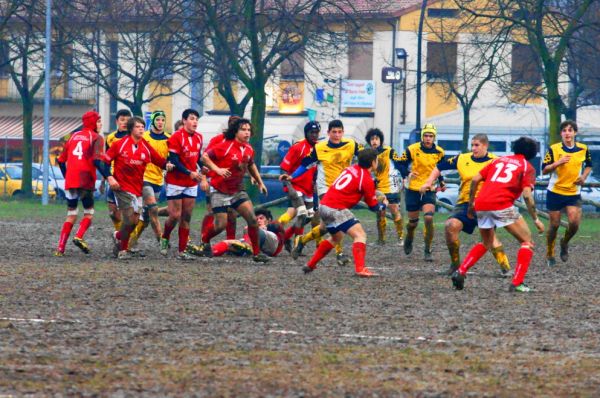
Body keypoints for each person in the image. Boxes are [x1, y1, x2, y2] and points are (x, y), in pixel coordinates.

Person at [451, 137, 545, 292]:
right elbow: (527, 195)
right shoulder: (526, 166)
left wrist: (471, 204)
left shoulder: (498, 161)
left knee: (486, 242)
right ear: (532, 153)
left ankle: (461, 271)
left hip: (481, 203)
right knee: (527, 242)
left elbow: (475, 179)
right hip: (501, 204)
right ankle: (517, 283)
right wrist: (536, 219)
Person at [420, 134, 511, 276]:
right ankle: (455, 265)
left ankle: (506, 268)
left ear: (485, 146)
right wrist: (428, 182)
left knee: (489, 238)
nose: (473, 148)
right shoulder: (462, 158)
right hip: (465, 203)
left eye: (477, 145)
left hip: (486, 205)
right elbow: (439, 167)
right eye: (472, 145)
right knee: (450, 226)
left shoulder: (497, 162)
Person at [292, 148, 386, 277]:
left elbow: (353, 188)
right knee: (360, 235)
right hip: (336, 208)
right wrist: (382, 205)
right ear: (372, 162)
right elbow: (373, 206)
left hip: (324, 205)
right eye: (377, 160)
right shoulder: (366, 179)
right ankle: (360, 269)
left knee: (336, 237)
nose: (378, 162)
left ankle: (310, 265)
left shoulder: (351, 168)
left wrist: (370, 189)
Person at [290, 119, 361, 266]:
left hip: (342, 189)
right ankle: (339, 254)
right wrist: (292, 176)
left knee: (324, 228)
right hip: (325, 189)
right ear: (328, 133)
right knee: (338, 219)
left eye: (339, 132)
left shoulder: (351, 145)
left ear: (343, 132)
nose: (336, 135)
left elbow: (365, 158)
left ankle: (302, 240)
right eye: (333, 132)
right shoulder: (320, 148)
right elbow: (305, 165)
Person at [199, 118, 271, 263]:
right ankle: (205, 239)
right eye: (243, 130)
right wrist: (217, 169)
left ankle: (256, 254)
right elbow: (204, 157)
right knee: (220, 225)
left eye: (248, 130)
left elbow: (251, 165)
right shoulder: (224, 146)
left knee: (252, 220)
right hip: (219, 190)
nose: (247, 133)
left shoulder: (249, 149)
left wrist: (260, 182)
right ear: (236, 132)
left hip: (237, 191)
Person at [101, 116, 167, 260]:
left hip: (137, 188)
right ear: (131, 129)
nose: (141, 129)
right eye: (138, 126)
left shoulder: (145, 146)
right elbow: (104, 162)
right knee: (129, 218)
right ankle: (123, 250)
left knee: (135, 221)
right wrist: (110, 177)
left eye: (143, 126)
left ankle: (118, 236)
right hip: (121, 187)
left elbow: (160, 161)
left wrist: (171, 165)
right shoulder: (120, 144)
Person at [54, 111, 106, 256]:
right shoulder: (97, 137)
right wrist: (108, 176)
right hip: (86, 178)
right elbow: (97, 160)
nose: (101, 124)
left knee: (71, 214)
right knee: (89, 212)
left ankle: (60, 248)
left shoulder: (73, 136)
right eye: (99, 121)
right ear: (92, 123)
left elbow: (61, 160)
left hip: (71, 180)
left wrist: (67, 177)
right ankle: (79, 236)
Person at [542, 120, 593, 266]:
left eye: (570, 130)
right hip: (555, 191)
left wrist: (583, 177)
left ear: (575, 133)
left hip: (573, 192)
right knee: (555, 225)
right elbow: (544, 169)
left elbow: (589, 165)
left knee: (574, 223)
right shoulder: (554, 149)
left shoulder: (583, 149)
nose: (567, 133)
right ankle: (550, 252)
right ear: (561, 134)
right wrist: (557, 163)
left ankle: (564, 243)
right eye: (564, 130)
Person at [160, 109, 207, 260]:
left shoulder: (199, 137)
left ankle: (182, 251)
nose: (195, 122)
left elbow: (197, 157)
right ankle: (165, 237)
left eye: (196, 119)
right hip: (175, 181)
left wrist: (202, 166)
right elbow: (174, 160)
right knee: (175, 215)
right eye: (192, 119)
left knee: (186, 217)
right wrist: (189, 172)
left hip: (191, 182)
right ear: (184, 120)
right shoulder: (176, 137)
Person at [398, 123, 445, 261]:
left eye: (431, 136)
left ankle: (428, 249)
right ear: (422, 136)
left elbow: (439, 169)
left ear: (434, 137)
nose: (428, 138)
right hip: (413, 188)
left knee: (429, 218)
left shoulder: (440, 152)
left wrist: (441, 181)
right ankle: (409, 237)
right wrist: (407, 172)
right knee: (413, 223)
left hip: (429, 188)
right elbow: (399, 163)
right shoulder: (412, 149)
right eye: (426, 135)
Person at [127, 110, 171, 251]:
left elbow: (169, 159)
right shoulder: (144, 136)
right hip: (145, 178)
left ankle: (131, 241)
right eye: (157, 119)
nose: (160, 122)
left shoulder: (168, 139)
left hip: (159, 179)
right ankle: (161, 239)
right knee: (152, 208)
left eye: (162, 120)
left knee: (146, 216)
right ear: (152, 121)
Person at [197, 115, 241, 247]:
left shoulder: (242, 143)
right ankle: (204, 239)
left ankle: (230, 242)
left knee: (232, 213)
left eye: (237, 124)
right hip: (214, 181)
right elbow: (205, 160)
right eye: (232, 124)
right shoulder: (217, 140)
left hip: (231, 184)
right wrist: (204, 179)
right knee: (212, 211)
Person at [277, 121, 320, 251]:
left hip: (309, 188)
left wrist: (314, 182)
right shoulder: (297, 147)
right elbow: (284, 168)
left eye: (316, 132)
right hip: (296, 186)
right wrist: (289, 187)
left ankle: (284, 236)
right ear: (306, 133)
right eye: (311, 132)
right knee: (301, 214)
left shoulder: (320, 148)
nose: (314, 135)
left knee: (309, 216)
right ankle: (290, 241)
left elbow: (316, 168)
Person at [365, 127, 404, 246]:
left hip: (391, 186)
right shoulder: (369, 154)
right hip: (378, 189)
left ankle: (401, 238)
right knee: (380, 213)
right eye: (372, 139)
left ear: (380, 140)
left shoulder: (388, 150)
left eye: (376, 139)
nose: (374, 141)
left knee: (394, 210)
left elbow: (399, 163)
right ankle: (381, 239)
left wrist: (404, 175)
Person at [210, 209, 285, 258]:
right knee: (229, 243)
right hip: (258, 246)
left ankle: (248, 246)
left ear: (269, 220)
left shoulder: (273, 227)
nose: (258, 221)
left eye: (261, 218)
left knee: (248, 228)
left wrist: (269, 227)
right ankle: (210, 252)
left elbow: (280, 228)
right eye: (256, 219)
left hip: (268, 241)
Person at [105, 109, 133, 232]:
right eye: (122, 120)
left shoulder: (133, 137)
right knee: (112, 212)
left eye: (127, 120)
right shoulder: (110, 138)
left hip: (128, 178)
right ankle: (120, 233)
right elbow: (105, 159)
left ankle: (124, 239)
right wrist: (105, 178)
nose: (125, 123)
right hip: (112, 178)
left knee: (127, 212)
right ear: (117, 121)